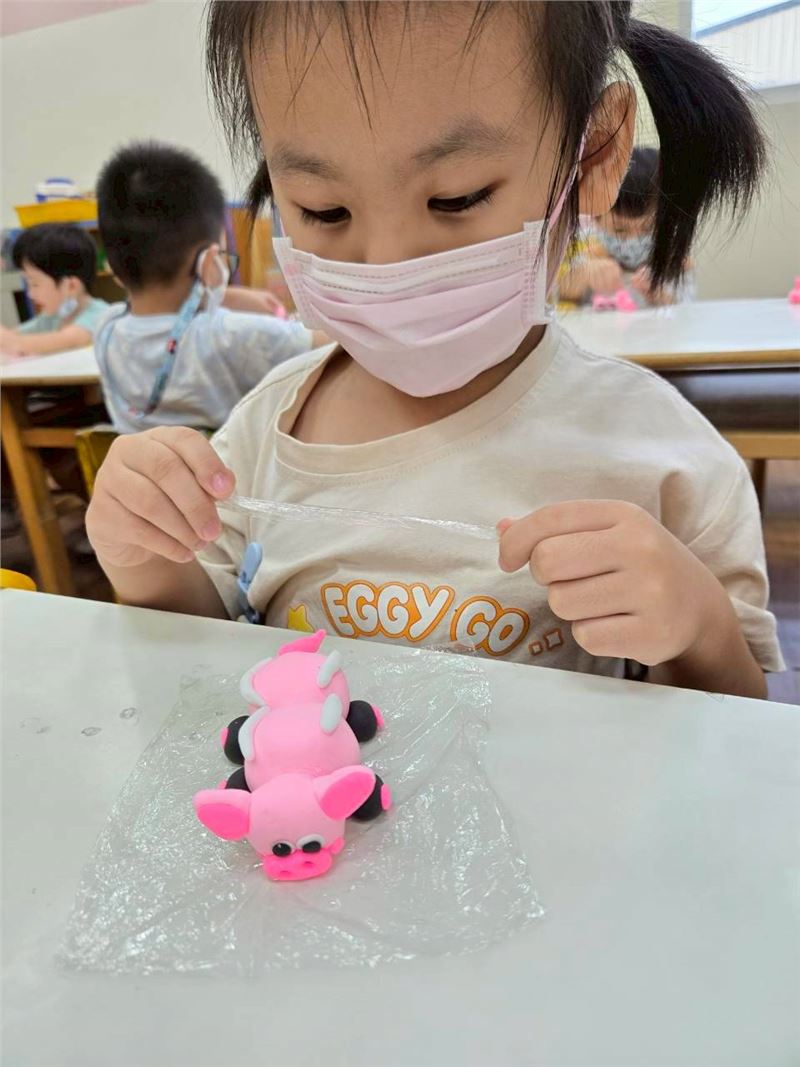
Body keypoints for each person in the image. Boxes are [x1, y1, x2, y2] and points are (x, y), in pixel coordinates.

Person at [87, 1, 782, 699]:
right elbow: (196, 651)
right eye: (324, 209)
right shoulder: (260, 436)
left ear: (595, 154)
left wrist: (698, 626)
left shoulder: (664, 459)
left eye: (457, 198)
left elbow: (738, 722)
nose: (390, 262)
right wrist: (146, 556)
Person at [93, 141, 325, 433]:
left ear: (114, 270)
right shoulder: (234, 335)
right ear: (208, 262)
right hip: (231, 463)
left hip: (145, 463)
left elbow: (169, 311)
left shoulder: (106, 330)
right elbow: (333, 343)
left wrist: (228, 295)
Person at [559, 147, 693, 305]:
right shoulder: (578, 246)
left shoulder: (674, 255)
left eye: (648, 228)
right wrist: (579, 278)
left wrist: (661, 296)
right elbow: (551, 296)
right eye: (620, 230)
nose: (633, 240)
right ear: (595, 216)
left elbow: (687, 309)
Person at [1, 223, 108, 356]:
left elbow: (19, 344)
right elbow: (13, 337)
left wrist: (8, 339)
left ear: (71, 286)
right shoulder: (51, 318)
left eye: (35, 284)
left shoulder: (100, 317)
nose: (30, 294)